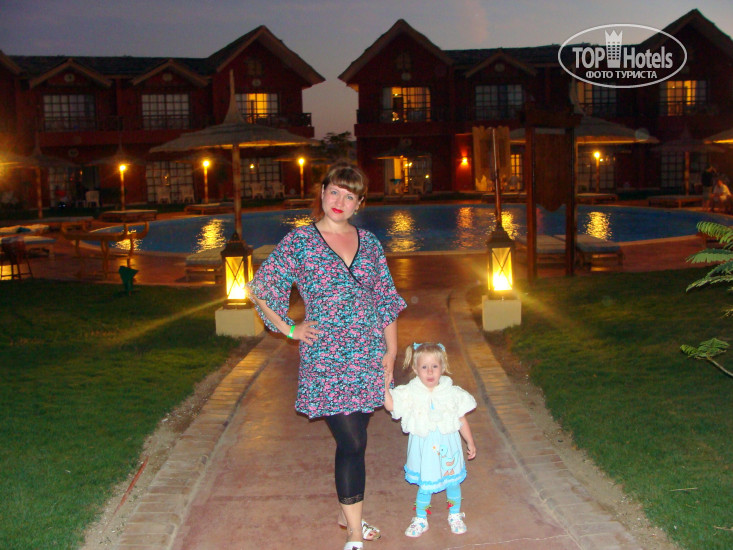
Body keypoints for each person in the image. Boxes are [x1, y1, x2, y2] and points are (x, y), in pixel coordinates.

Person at [246, 161, 407, 550]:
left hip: (368, 354)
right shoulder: (300, 242)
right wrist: (290, 329)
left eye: (349, 196)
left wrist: (391, 350)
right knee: (352, 442)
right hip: (327, 358)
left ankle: (345, 512)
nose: (340, 201)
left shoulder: (369, 243)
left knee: (358, 438)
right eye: (334, 191)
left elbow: (384, 298)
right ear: (322, 193)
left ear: (359, 204)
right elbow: (262, 287)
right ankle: (354, 532)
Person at [384, 342, 477, 538]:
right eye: (424, 367)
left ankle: (455, 514)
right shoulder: (410, 392)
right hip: (424, 449)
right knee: (425, 485)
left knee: (453, 482)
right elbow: (392, 406)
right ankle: (421, 518)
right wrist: (384, 386)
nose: (430, 371)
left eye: (434, 366)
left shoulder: (451, 392)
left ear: (442, 367)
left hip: (448, 447)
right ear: (415, 369)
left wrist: (470, 442)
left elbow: (461, 419)